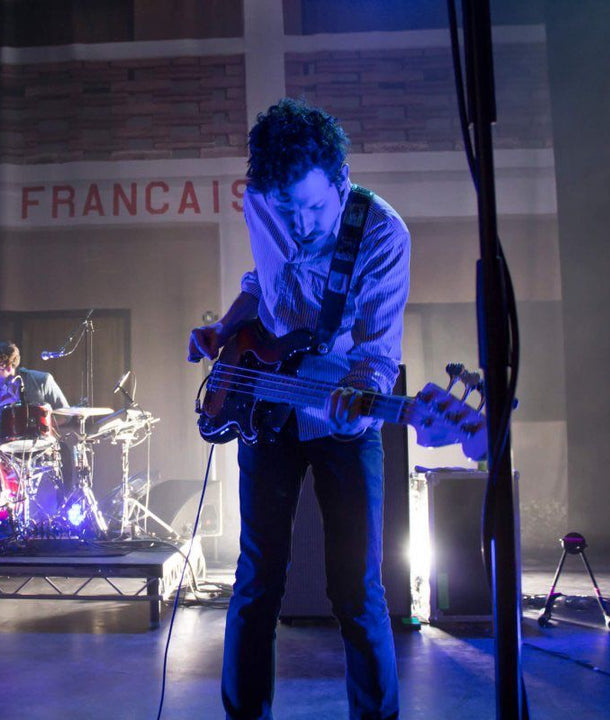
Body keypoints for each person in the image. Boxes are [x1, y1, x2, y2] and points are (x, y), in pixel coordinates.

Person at [188, 98, 410, 720]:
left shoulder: (383, 235)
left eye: (314, 207)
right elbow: (264, 284)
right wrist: (224, 328)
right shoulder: (264, 199)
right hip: (263, 404)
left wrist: (357, 401)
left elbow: (378, 357)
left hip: (340, 415)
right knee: (256, 581)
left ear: (341, 182)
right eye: (288, 210)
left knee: (358, 591)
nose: (301, 223)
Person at [0, 340, 69, 445]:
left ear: (8, 368)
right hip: (9, 452)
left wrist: (41, 425)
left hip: (43, 448)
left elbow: (66, 414)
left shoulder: (42, 380)